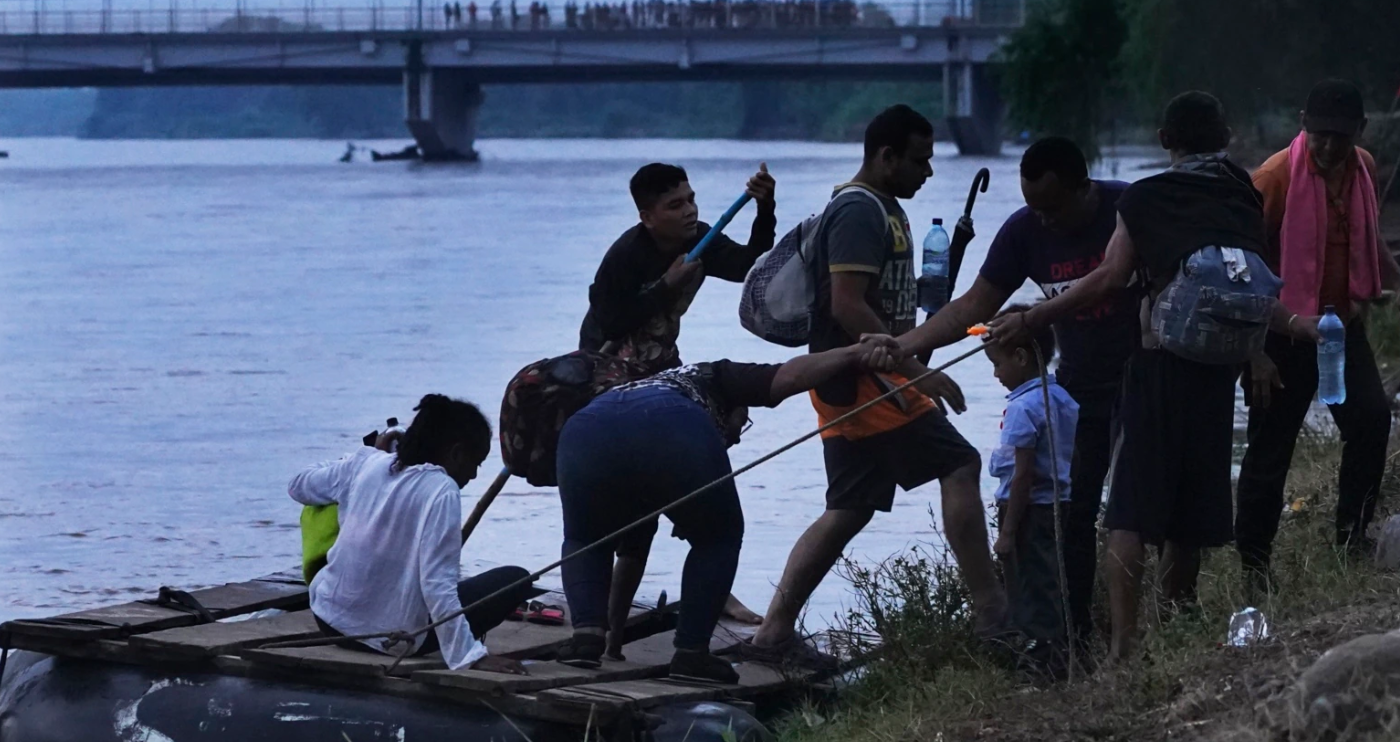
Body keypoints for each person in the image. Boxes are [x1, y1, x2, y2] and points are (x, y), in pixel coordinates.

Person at [988, 91, 1323, 662]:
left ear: (1166, 140)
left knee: (1131, 513)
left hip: (1158, 363)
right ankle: (1177, 621)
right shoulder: (1241, 189)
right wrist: (1286, 332)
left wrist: (1036, 315)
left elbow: (1112, 276)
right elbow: (1249, 282)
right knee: (1192, 514)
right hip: (1216, 369)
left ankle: (1124, 644)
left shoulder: (1146, 196)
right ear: (1226, 135)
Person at [748, 104, 1007, 662]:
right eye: (919, 160)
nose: (929, 172)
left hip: (858, 376)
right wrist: (918, 370)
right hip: (866, 377)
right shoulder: (858, 212)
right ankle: (994, 619)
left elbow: (880, 296)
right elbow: (846, 306)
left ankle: (772, 634)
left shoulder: (884, 208)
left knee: (851, 505)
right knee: (959, 464)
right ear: (885, 156)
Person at [895, 136, 1136, 649]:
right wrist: (901, 347)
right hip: (1077, 388)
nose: (1043, 220)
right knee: (1073, 510)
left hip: (1145, 375)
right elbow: (970, 308)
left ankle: (1138, 629)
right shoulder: (1025, 230)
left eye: (1053, 207)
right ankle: (1070, 637)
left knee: (1136, 508)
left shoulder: (1126, 208)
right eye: (1034, 208)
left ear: (1083, 188)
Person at [553, 335, 906, 683]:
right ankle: (691, 655)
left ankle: (585, 637)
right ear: (734, 405)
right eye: (740, 426)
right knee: (718, 537)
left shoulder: (636, 389)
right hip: (671, 423)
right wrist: (853, 354)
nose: (735, 436)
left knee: (585, 538)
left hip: (583, 430)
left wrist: (612, 641)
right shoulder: (718, 378)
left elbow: (633, 547)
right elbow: (793, 375)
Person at [1235, 79, 1400, 583]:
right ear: (1304, 123)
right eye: (1320, 134)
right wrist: (1253, 352)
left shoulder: (1365, 169)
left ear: (1360, 132)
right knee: (1270, 452)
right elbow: (1241, 266)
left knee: (1372, 421)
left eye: (1341, 137)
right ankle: (1255, 568)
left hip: (1339, 329)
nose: (1329, 146)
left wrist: (1391, 282)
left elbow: (1368, 243)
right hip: (1280, 336)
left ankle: (1351, 538)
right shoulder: (1274, 177)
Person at [288, 394, 533, 675]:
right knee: (516, 579)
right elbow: (436, 585)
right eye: (474, 463)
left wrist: (372, 456)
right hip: (391, 640)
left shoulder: (365, 463)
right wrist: (469, 657)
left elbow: (299, 485)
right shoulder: (442, 489)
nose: (474, 476)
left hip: (329, 619)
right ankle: (458, 645)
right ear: (455, 454)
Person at [578, 162, 776, 372]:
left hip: (660, 354)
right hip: (604, 359)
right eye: (676, 206)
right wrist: (666, 286)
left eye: (691, 200)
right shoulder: (624, 256)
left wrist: (765, 209)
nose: (690, 211)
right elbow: (611, 326)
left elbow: (748, 268)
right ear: (648, 218)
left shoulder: (700, 238)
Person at [985, 304, 1078, 679]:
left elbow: (1022, 474)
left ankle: (1040, 662)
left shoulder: (1023, 408)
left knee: (1029, 583)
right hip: (1058, 503)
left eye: (997, 364)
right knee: (1050, 577)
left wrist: (1007, 533)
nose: (995, 374)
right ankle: (1053, 652)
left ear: (1021, 357)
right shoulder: (1062, 399)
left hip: (1025, 509)